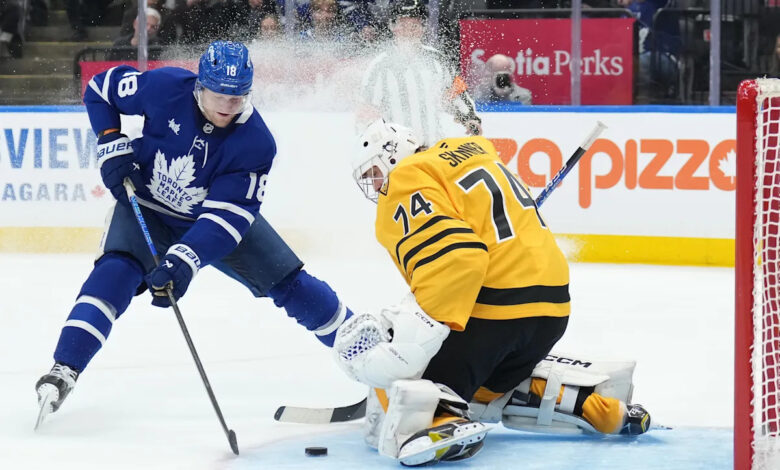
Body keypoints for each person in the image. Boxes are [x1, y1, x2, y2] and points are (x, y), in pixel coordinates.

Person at [35, 40, 356, 427]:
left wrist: (183, 260)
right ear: (199, 85)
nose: (227, 106)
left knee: (290, 284)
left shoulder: (255, 142)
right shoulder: (165, 87)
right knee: (115, 272)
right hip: (147, 205)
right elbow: (100, 89)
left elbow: (223, 221)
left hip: (211, 220)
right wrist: (109, 139)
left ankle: (366, 351)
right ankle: (64, 368)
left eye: (237, 98)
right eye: (219, 95)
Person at [334, 119, 652, 465]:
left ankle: (441, 421)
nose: (376, 184)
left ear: (393, 155)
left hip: (499, 310)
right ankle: (597, 407)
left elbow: (458, 258)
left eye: (375, 172)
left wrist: (418, 332)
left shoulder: (406, 178)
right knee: (485, 390)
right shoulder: (474, 156)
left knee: (397, 377)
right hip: (552, 311)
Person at [357, 0, 481, 147]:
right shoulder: (380, 65)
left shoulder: (437, 59)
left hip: (433, 148)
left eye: (414, 25)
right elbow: (367, 110)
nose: (409, 31)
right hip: (397, 152)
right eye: (403, 25)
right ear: (393, 27)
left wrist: (470, 117)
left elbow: (456, 93)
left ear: (423, 28)